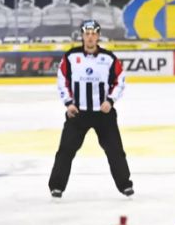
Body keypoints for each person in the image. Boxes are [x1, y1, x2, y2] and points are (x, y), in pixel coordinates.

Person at [48, 19, 133, 199]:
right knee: (65, 150)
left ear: (98, 36)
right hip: (77, 113)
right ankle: (56, 187)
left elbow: (120, 81)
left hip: (103, 114)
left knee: (115, 150)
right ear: (82, 36)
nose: (90, 37)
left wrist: (110, 100)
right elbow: (62, 80)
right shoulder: (71, 57)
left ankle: (125, 185)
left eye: (94, 34)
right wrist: (68, 103)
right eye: (87, 34)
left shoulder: (108, 58)